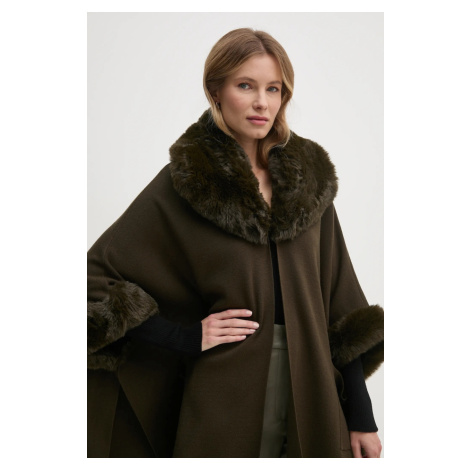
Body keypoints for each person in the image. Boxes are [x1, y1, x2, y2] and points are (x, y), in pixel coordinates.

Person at [87, 28, 384, 458]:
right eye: (246, 86)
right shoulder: (187, 182)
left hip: (312, 383)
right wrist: (183, 336)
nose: (262, 102)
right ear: (216, 91)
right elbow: (94, 279)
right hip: (224, 390)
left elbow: (341, 307)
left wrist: (361, 416)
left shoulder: (309, 181)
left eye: (273, 88)